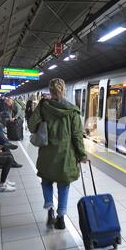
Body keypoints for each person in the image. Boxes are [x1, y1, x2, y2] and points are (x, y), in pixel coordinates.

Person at [28, 78, 87, 229]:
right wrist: (82, 154)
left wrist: (40, 105)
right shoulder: (72, 111)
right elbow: (77, 135)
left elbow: (31, 126)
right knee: (63, 185)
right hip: (66, 156)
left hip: (47, 154)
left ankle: (50, 210)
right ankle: (61, 218)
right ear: (64, 90)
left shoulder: (44, 106)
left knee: (46, 181)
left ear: (50, 90)